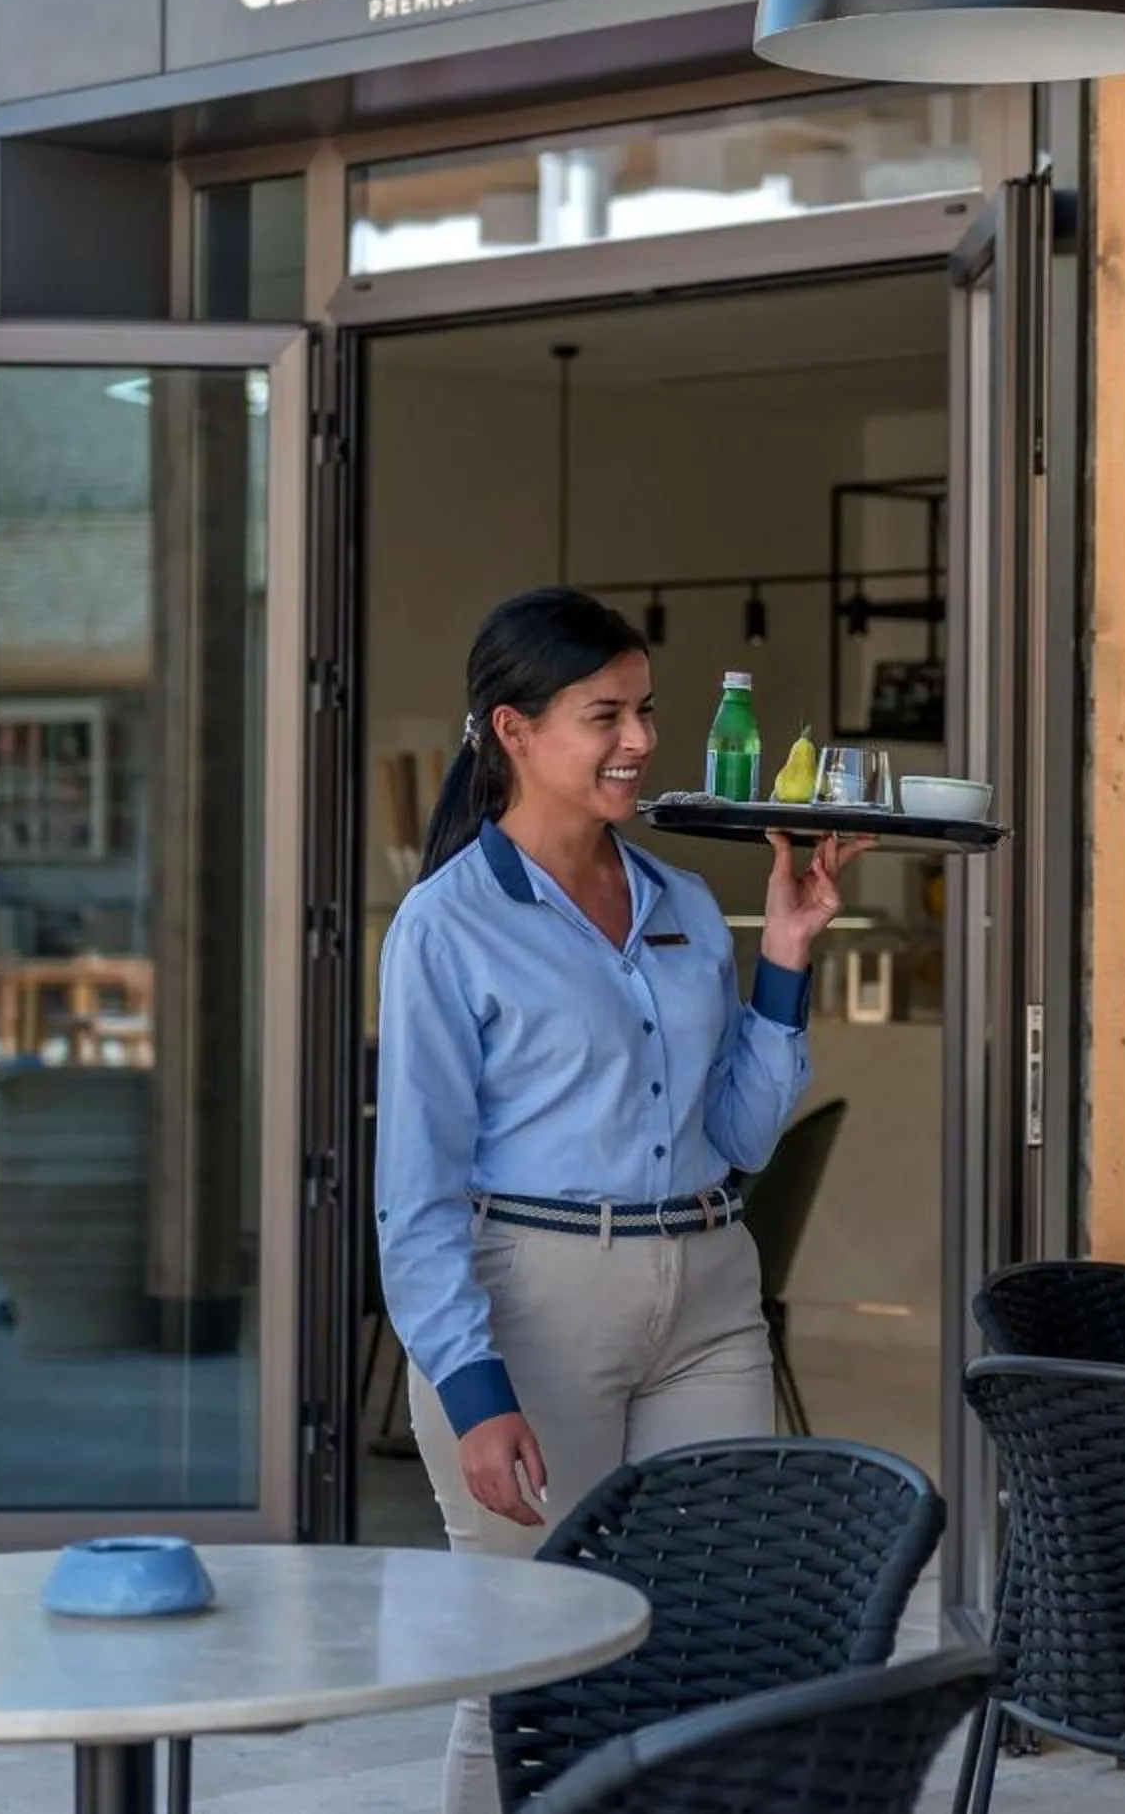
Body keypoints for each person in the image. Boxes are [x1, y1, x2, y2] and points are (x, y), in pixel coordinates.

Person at [376, 586, 868, 1814]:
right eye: (606, 716)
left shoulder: (684, 904)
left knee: (705, 1646)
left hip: (706, 1294)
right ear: (514, 729)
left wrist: (789, 956)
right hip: (534, 1308)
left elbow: (742, 1131)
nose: (642, 741)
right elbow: (417, 1193)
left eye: (645, 710)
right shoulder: (447, 926)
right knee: (531, 1664)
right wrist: (475, 1392)